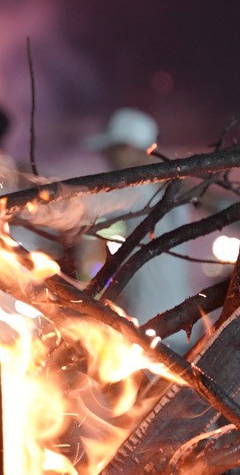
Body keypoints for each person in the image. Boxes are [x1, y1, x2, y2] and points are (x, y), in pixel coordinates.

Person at [79, 108, 202, 356]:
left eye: (112, 150)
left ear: (128, 149)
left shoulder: (134, 191)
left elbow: (78, 206)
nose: (107, 158)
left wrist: (33, 189)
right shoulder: (171, 192)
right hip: (182, 324)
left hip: (150, 327)